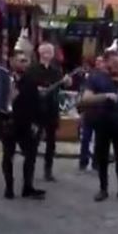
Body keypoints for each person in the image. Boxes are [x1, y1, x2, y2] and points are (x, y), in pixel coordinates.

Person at [80, 51, 118, 203]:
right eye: (114, 63)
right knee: (102, 158)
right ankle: (103, 189)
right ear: (106, 63)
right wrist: (105, 96)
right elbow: (86, 98)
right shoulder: (95, 77)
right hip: (101, 122)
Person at [1, 50, 46, 200]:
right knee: (8, 156)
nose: (24, 64)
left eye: (26, 61)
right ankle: (9, 187)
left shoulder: (30, 80)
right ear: (12, 61)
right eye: (21, 60)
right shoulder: (5, 78)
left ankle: (28, 187)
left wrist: (38, 123)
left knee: (31, 156)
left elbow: (36, 103)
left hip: (27, 124)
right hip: (9, 122)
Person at [28, 42, 71, 181]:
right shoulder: (33, 69)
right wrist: (37, 90)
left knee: (51, 142)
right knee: (34, 141)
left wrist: (67, 81)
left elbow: (65, 85)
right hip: (37, 110)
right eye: (47, 51)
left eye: (51, 51)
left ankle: (48, 170)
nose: (50, 54)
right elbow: (27, 86)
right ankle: (30, 169)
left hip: (52, 109)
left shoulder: (56, 70)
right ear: (41, 53)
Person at [79, 55, 107, 171]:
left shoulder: (107, 76)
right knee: (86, 137)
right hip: (90, 111)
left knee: (99, 139)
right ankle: (83, 160)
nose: (99, 64)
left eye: (101, 61)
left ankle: (96, 161)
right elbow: (84, 92)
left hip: (102, 112)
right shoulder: (91, 76)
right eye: (97, 61)